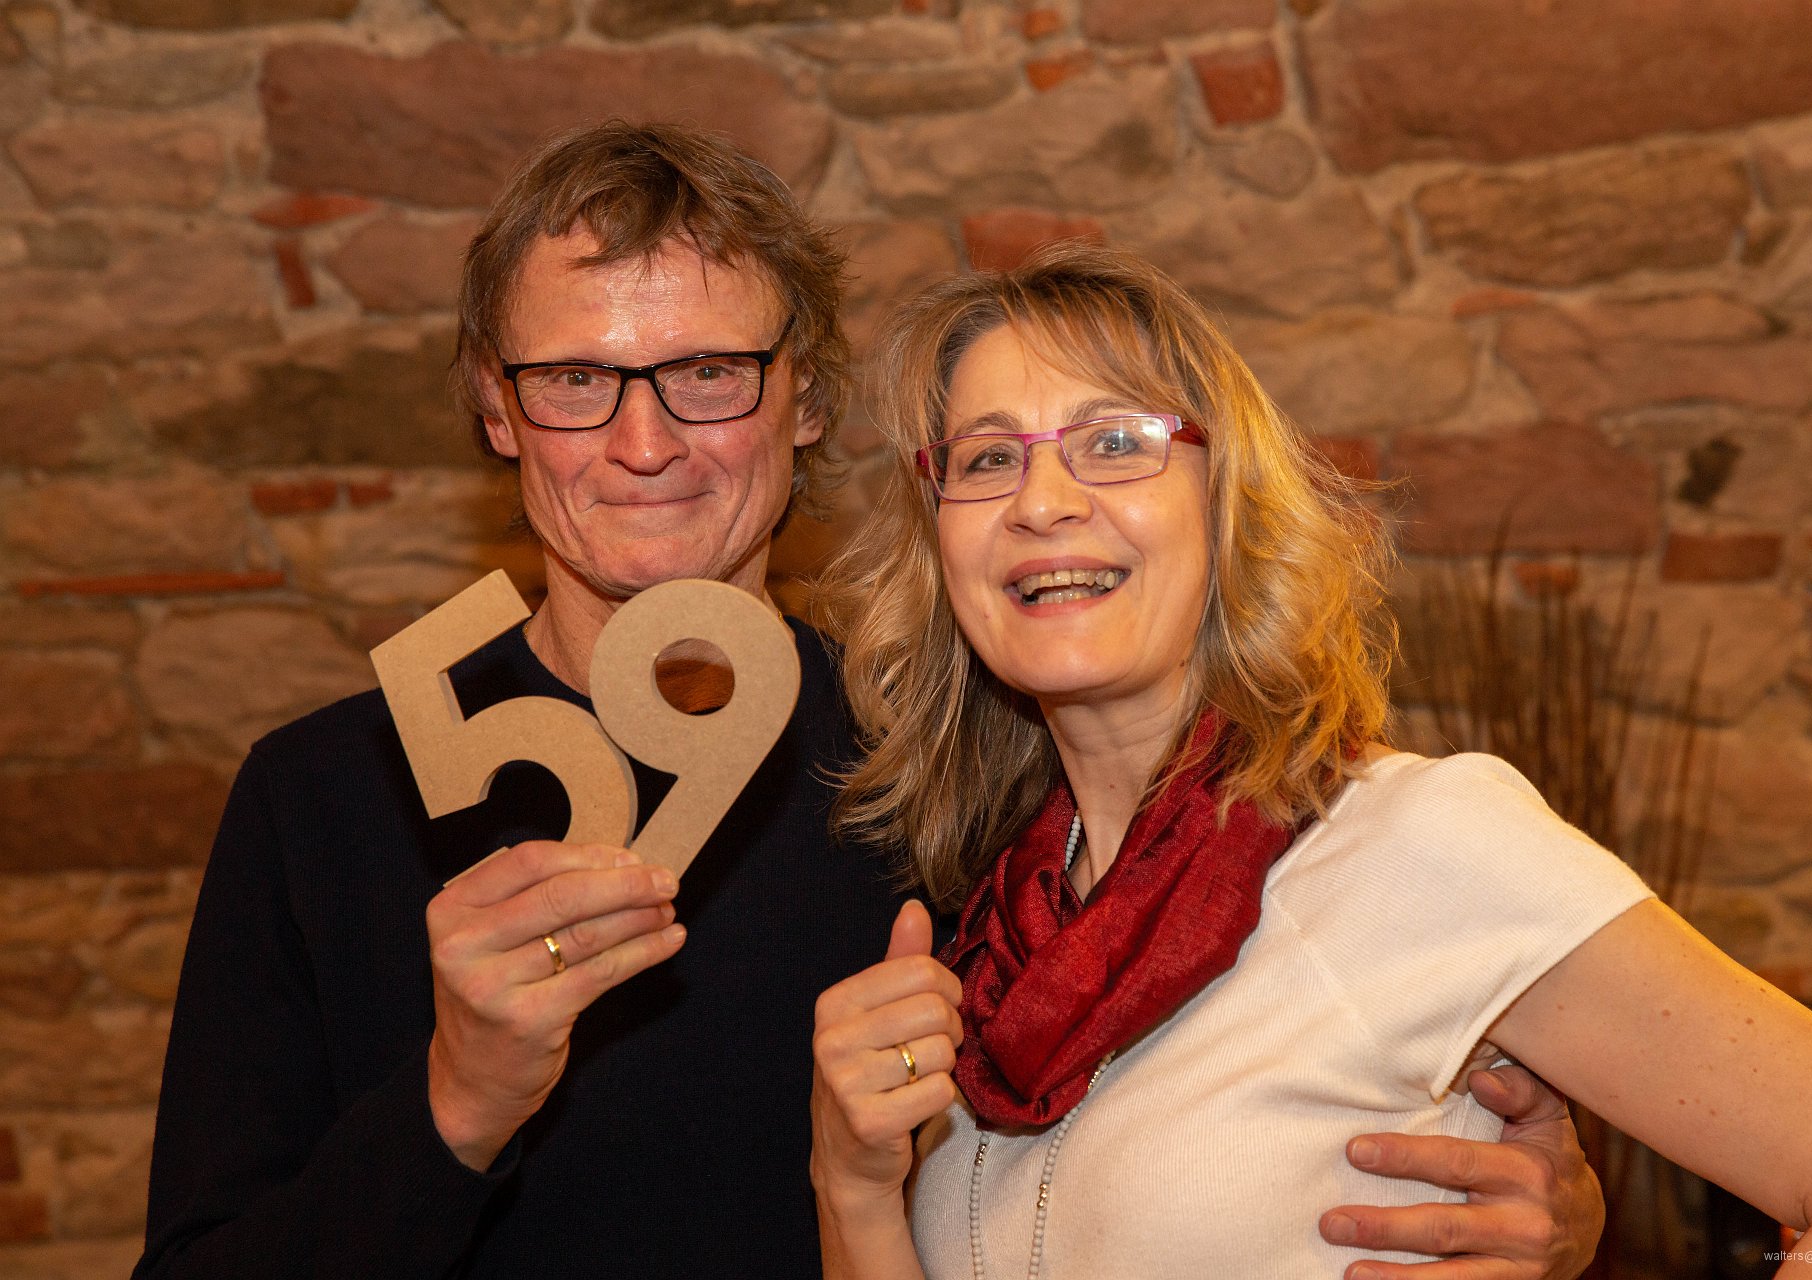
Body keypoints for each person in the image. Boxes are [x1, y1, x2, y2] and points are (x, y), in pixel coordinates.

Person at [139, 121, 1602, 1279]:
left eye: (710, 372)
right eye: (576, 378)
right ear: (494, 406)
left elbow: (1231, 1114)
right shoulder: (323, 799)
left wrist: (1555, 1204)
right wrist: (454, 1106)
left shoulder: (970, 765)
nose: (644, 442)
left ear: (810, 400)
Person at [807, 243, 1812, 1278]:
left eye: (1116, 442)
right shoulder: (993, 937)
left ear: (1226, 506)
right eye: (989, 457)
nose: (1043, 501)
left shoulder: (1419, 841)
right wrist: (852, 1188)